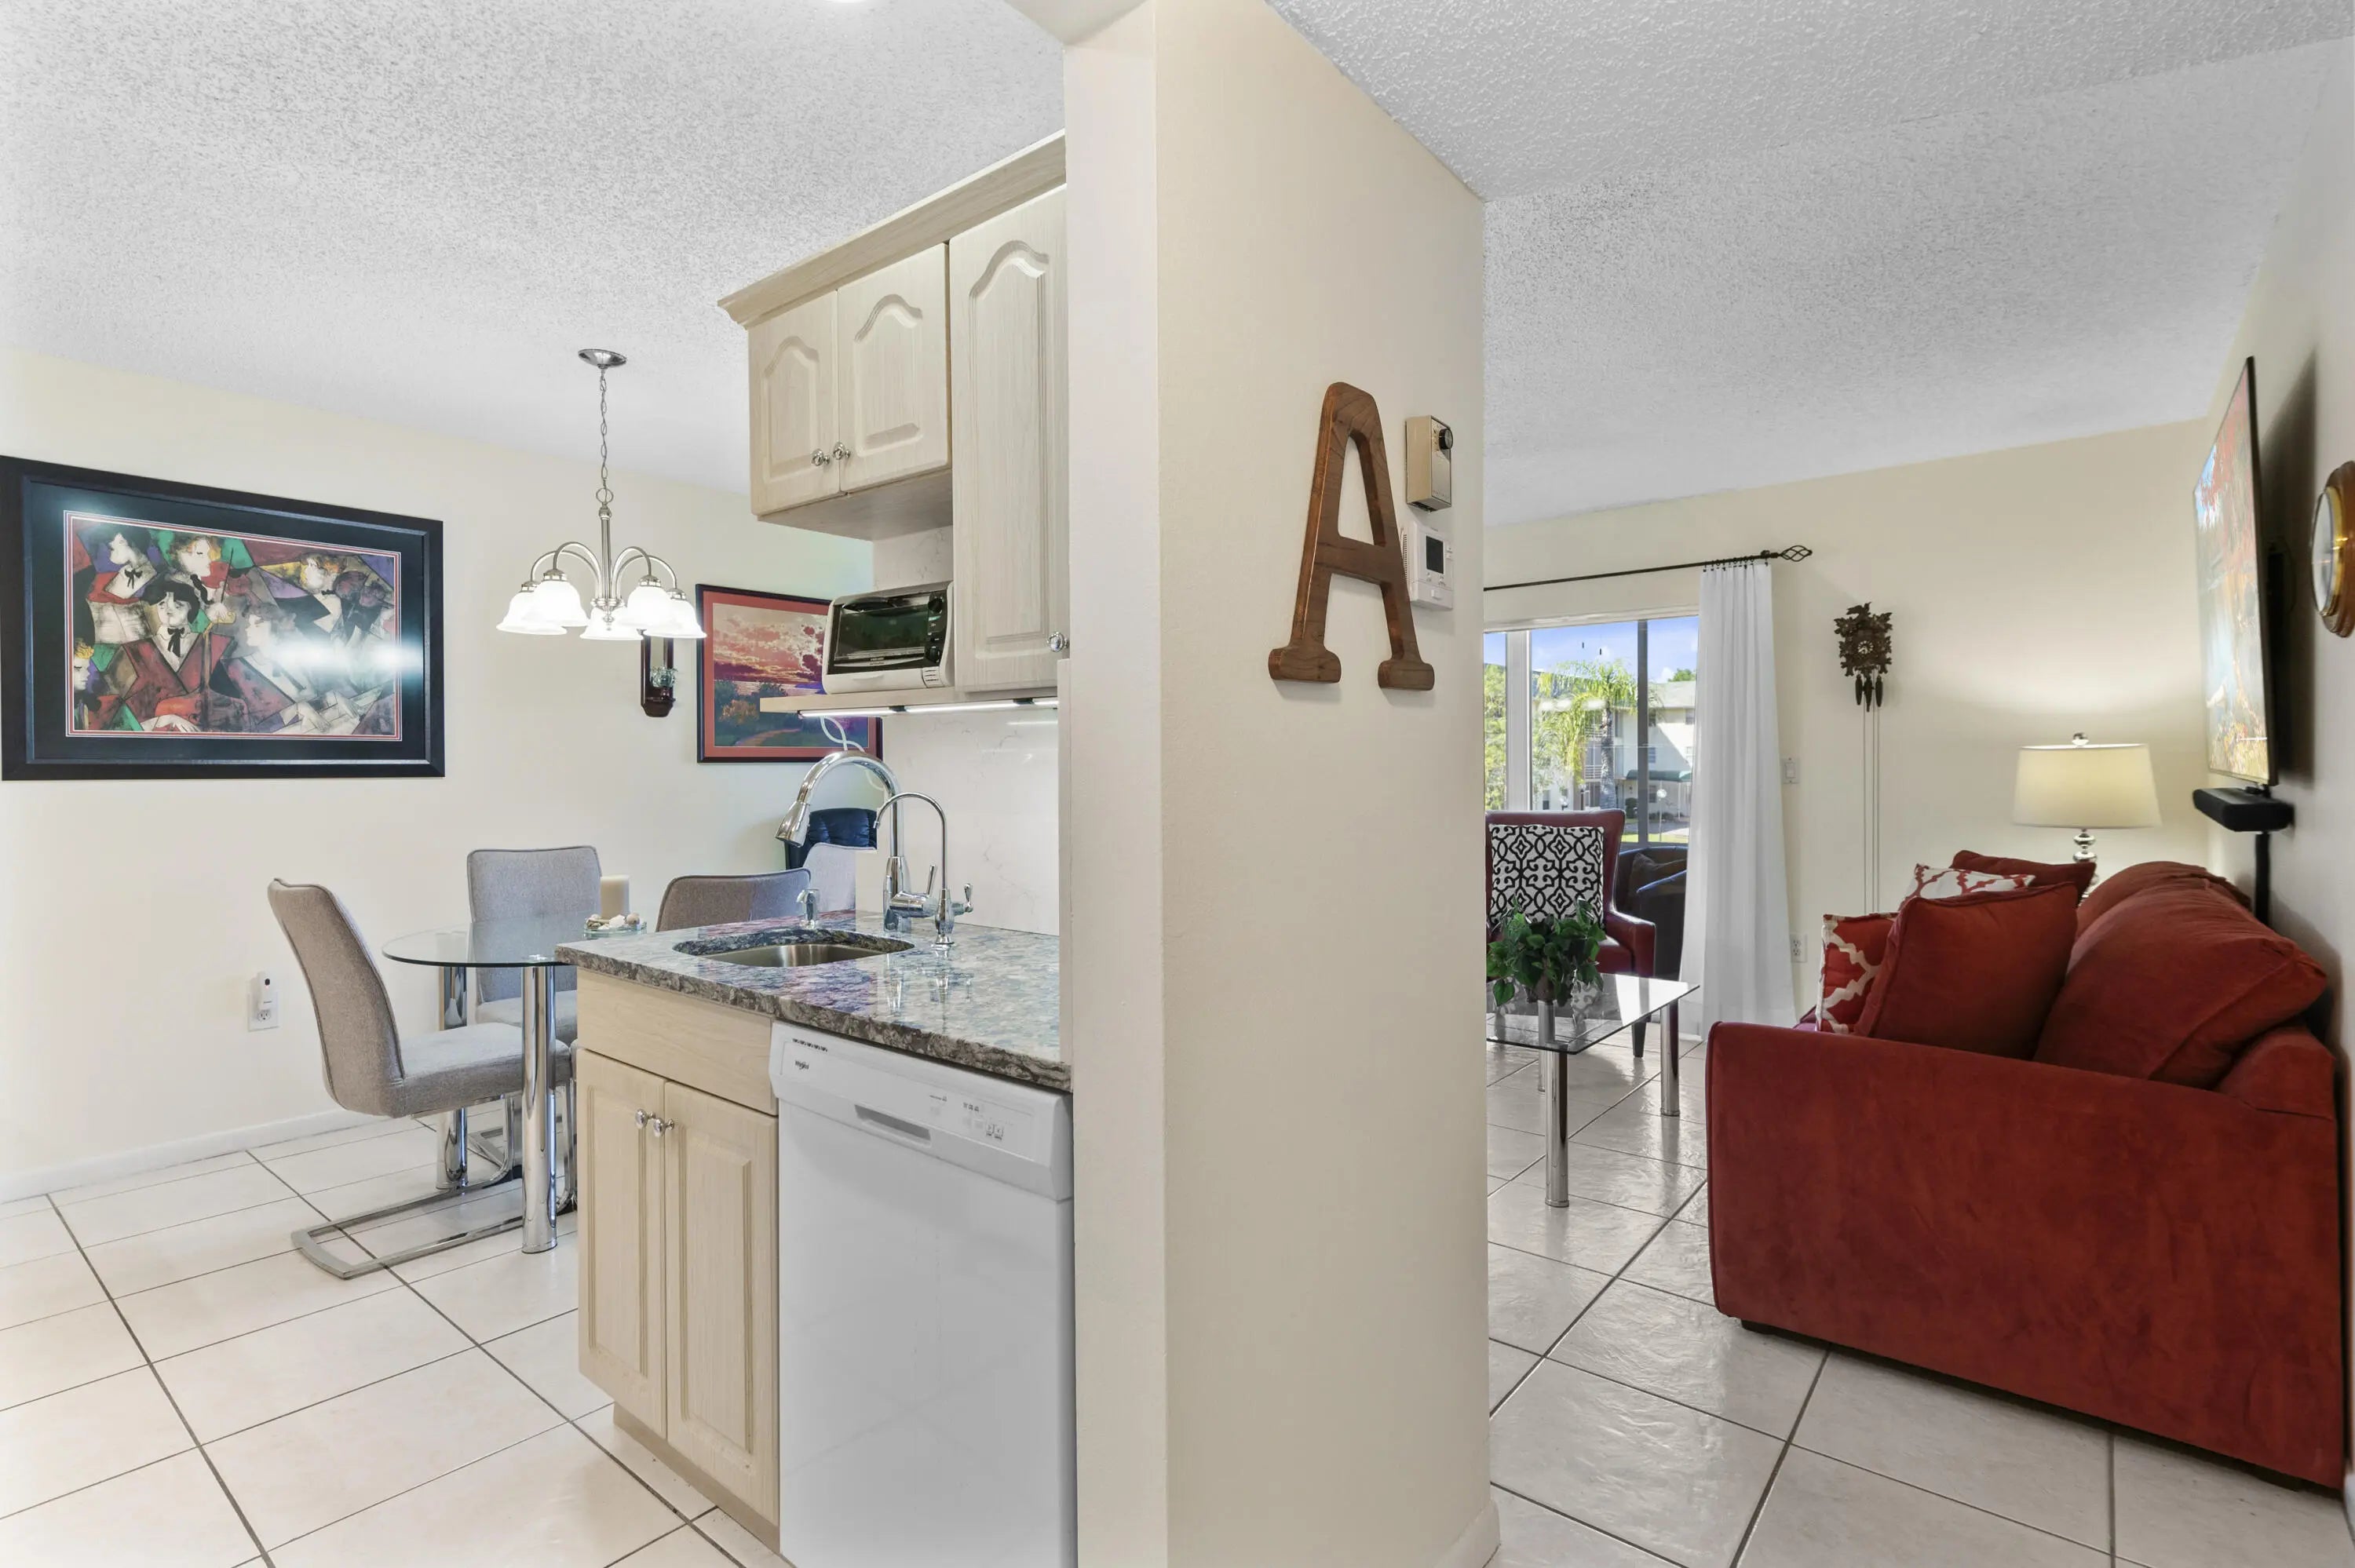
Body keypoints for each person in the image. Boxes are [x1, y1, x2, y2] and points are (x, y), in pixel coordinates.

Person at [115, 579, 223, 731]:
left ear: (191, 608)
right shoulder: (134, 650)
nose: (168, 610)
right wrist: (164, 720)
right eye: (162, 604)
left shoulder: (210, 645)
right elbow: (117, 712)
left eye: (178, 605)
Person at [83, 523, 159, 645]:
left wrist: (135, 559)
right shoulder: (100, 565)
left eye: (123, 538)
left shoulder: (141, 557)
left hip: (133, 610)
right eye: (119, 540)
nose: (123, 540)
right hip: (105, 608)